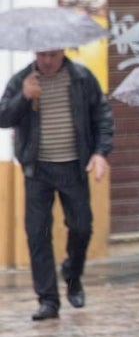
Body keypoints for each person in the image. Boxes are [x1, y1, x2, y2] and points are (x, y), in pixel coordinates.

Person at [0, 48, 113, 321]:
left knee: (82, 226)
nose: (47, 61)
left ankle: (73, 274)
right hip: (36, 169)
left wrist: (100, 152)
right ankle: (48, 300)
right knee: (37, 233)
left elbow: (102, 116)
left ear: (62, 51)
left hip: (74, 166)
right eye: (42, 55)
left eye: (52, 54)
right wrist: (23, 97)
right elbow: (4, 117)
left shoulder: (82, 78)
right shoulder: (21, 80)